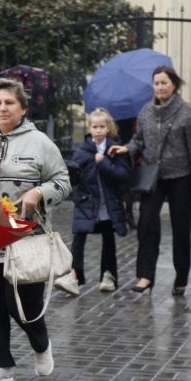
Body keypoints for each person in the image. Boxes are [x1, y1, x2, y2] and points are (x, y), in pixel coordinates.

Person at [0, 77, 71, 381]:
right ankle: (1, 365)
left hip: (25, 238)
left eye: (9, 102)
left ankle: (40, 344)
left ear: (23, 108)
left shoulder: (39, 142)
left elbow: (63, 181)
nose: (3, 108)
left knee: (23, 306)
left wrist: (39, 193)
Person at [108, 65, 191, 296]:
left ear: (174, 84)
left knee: (180, 227)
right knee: (146, 223)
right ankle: (145, 276)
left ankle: (180, 278)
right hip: (153, 177)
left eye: (164, 82)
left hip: (180, 177)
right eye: (156, 83)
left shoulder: (186, 112)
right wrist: (126, 148)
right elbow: (138, 141)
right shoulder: (146, 112)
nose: (160, 87)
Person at [57, 108, 129, 295]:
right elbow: (77, 176)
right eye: (94, 126)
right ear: (89, 128)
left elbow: (121, 175)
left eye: (102, 126)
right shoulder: (82, 152)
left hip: (107, 204)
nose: (98, 130)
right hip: (86, 203)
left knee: (108, 238)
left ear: (108, 128)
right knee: (78, 237)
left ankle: (108, 275)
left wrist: (103, 162)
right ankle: (74, 275)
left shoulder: (115, 149)